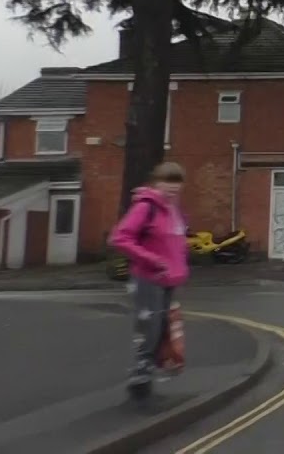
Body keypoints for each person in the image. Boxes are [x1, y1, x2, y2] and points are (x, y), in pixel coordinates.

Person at [109, 162, 190, 399]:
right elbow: (120, 238)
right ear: (156, 184)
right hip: (148, 276)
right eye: (167, 186)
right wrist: (153, 259)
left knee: (164, 327)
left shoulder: (174, 211)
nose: (172, 192)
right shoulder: (146, 207)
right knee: (150, 325)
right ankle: (140, 373)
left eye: (176, 188)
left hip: (169, 279)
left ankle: (151, 371)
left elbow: (177, 244)